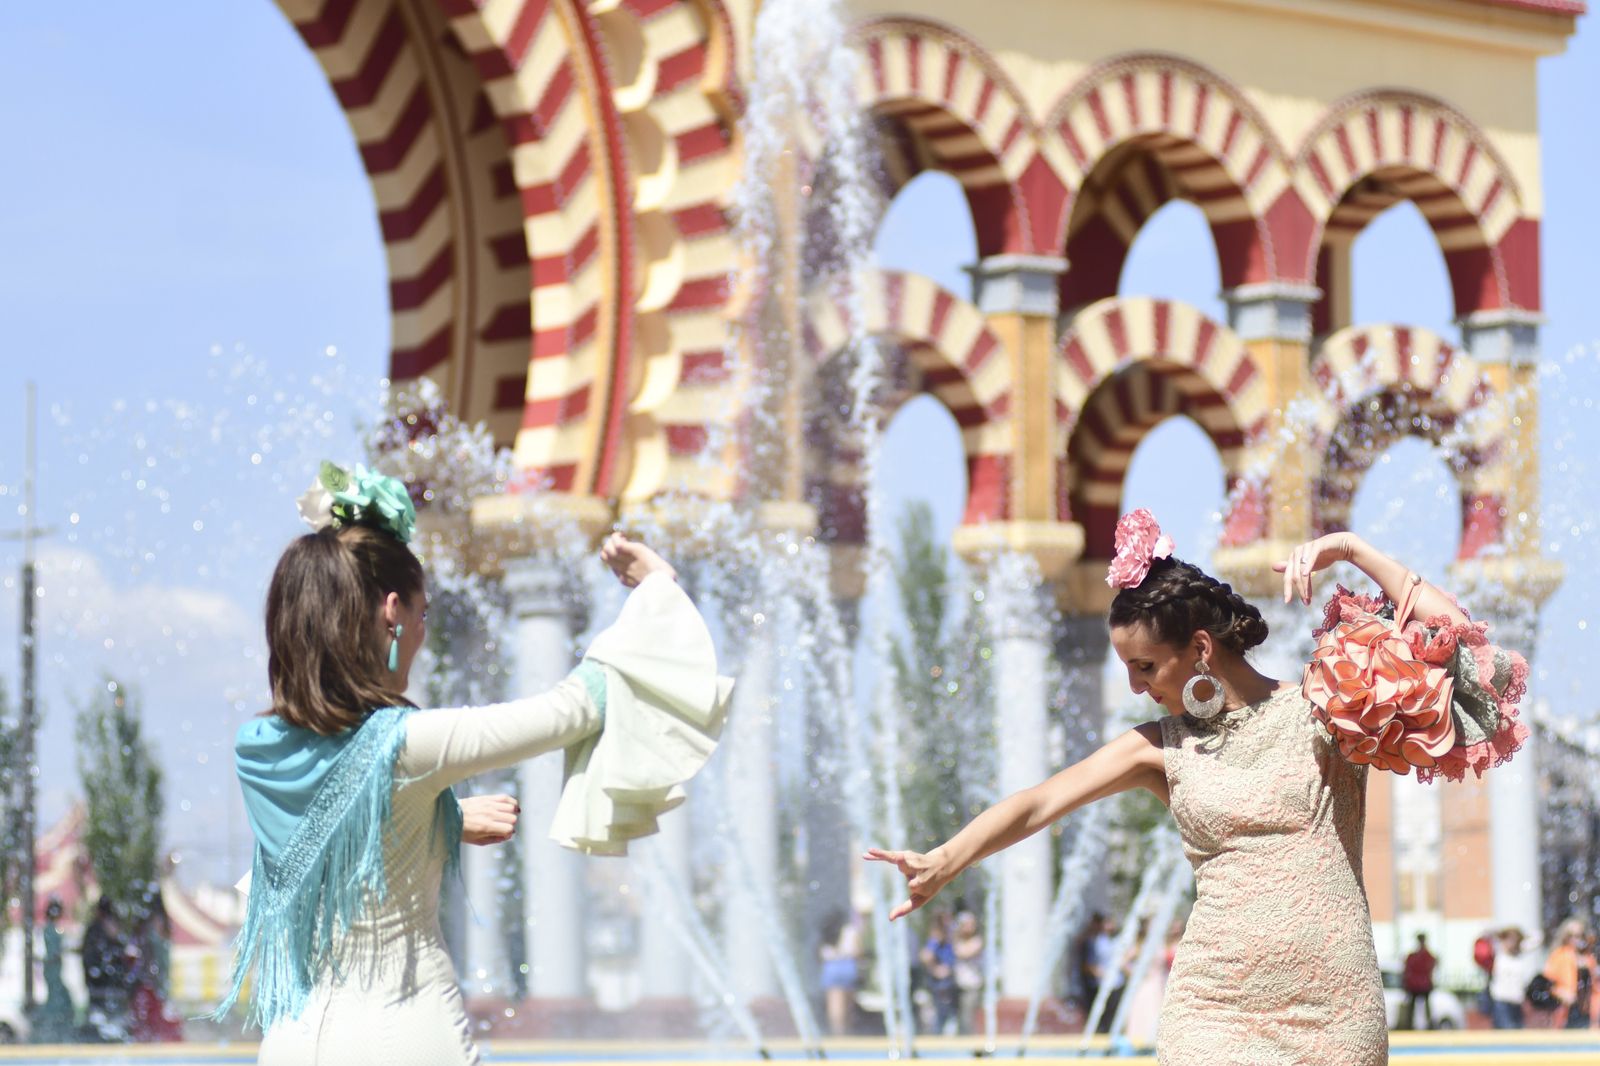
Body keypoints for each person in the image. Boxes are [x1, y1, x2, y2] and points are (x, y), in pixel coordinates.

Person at [867, 515, 1504, 1065]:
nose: (1138, 687)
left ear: (1200, 648)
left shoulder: (1328, 705)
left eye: (1145, 667)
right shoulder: (1158, 746)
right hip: (1213, 1009)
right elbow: (1039, 801)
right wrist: (945, 860)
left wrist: (1354, 550)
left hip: (1334, 1011)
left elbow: (1472, 660)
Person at [214, 464, 730, 1065]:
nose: (422, 634)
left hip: (292, 1045)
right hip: (405, 1040)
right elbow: (578, 706)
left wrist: (444, 819)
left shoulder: (255, 749)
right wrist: (658, 591)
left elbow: (334, 845)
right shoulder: (411, 744)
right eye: (422, 615)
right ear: (391, 613)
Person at [80, 896, 130, 1042]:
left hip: (104, 984)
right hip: (107, 983)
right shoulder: (100, 931)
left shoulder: (95, 930)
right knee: (106, 1018)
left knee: (103, 1017)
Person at [35, 898, 76, 1042]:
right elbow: (50, 952)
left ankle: (59, 1030)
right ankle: (49, 1031)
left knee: (63, 1000)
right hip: (52, 969)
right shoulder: (49, 929)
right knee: (56, 1001)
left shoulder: (52, 928)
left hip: (55, 969)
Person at [1543, 919, 1596, 1028]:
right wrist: (1560, 992)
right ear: (1565, 937)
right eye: (1572, 935)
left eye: (1580, 935)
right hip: (1566, 1008)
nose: (1576, 939)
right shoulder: (1559, 955)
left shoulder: (1589, 958)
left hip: (1587, 1008)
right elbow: (1546, 983)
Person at [818, 908, 861, 1036]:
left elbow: (819, 954)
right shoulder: (850, 931)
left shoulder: (826, 934)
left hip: (831, 968)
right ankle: (847, 1033)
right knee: (848, 1007)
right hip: (848, 967)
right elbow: (857, 951)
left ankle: (838, 1033)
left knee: (835, 1006)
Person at [1489, 927, 1540, 1029]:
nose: (1511, 943)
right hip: (1502, 1003)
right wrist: (1498, 934)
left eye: (1515, 940)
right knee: (1506, 1034)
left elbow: (1538, 938)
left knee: (1518, 1034)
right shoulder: (1499, 954)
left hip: (1516, 1002)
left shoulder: (1519, 954)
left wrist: (1523, 936)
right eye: (1509, 939)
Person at [919, 911, 959, 1035]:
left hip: (951, 980)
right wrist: (936, 969)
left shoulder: (951, 937)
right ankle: (938, 1035)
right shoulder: (935, 940)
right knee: (941, 1011)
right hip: (940, 982)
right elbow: (926, 956)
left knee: (952, 1012)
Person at [952, 910, 985, 1035]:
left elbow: (962, 953)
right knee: (958, 1019)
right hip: (957, 986)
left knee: (968, 1018)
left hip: (971, 987)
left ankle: (971, 1042)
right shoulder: (958, 940)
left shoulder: (977, 941)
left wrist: (955, 935)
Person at [1402, 933, 1438, 1030]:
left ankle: (1426, 1024)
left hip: (1419, 984)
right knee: (1415, 1007)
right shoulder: (1420, 955)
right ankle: (1411, 1024)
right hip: (1418, 985)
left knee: (1422, 1006)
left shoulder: (1419, 955)